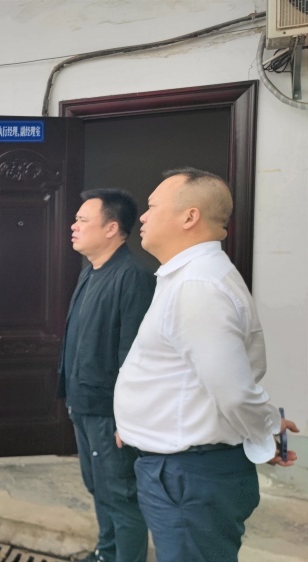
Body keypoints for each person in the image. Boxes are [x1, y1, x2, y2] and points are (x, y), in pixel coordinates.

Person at [114, 167, 299, 562]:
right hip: (183, 472)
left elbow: (232, 390)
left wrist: (264, 430)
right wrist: (135, 424)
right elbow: (183, 376)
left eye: (152, 206)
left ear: (190, 216)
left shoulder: (197, 286)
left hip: (189, 476)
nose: (142, 216)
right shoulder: (188, 277)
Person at [59, 189, 154, 562]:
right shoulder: (91, 272)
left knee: (121, 495)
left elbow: (135, 357)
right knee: (98, 487)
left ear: (112, 228)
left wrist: (127, 418)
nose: (74, 226)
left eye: (83, 220)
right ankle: (106, 553)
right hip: (83, 403)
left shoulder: (133, 278)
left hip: (110, 412)